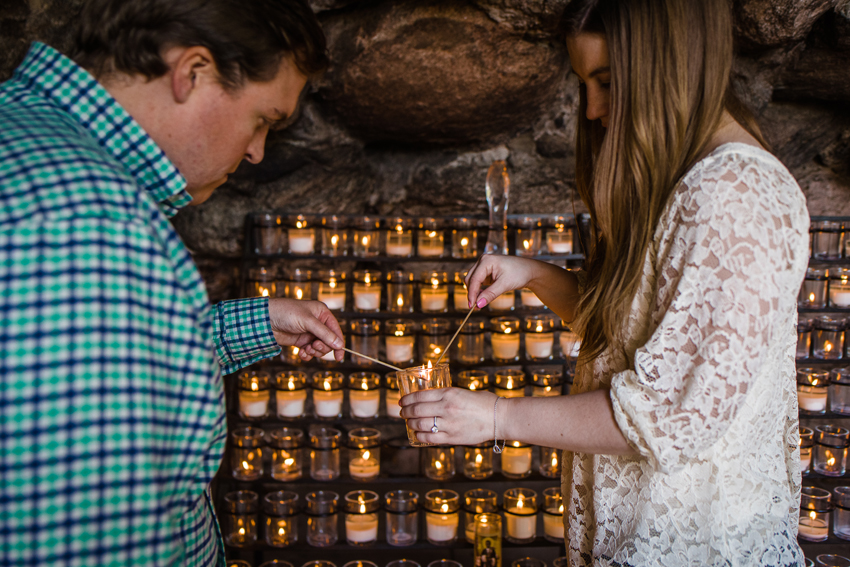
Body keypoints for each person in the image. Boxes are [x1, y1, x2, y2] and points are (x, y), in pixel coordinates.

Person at [400, 0, 808, 565]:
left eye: (609, 82)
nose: (592, 109)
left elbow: (666, 411)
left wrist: (494, 416)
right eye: (584, 83)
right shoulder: (680, 178)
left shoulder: (734, 195)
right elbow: (637, 337)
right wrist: (535, 275)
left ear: (669, 63)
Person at [0, 0, 343, 565]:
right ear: (193, 72)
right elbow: (89, 539)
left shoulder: (26, 135)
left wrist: (255, 324)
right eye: (264, 119)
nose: (257, 151)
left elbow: (82, 370)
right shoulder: (93, 228)